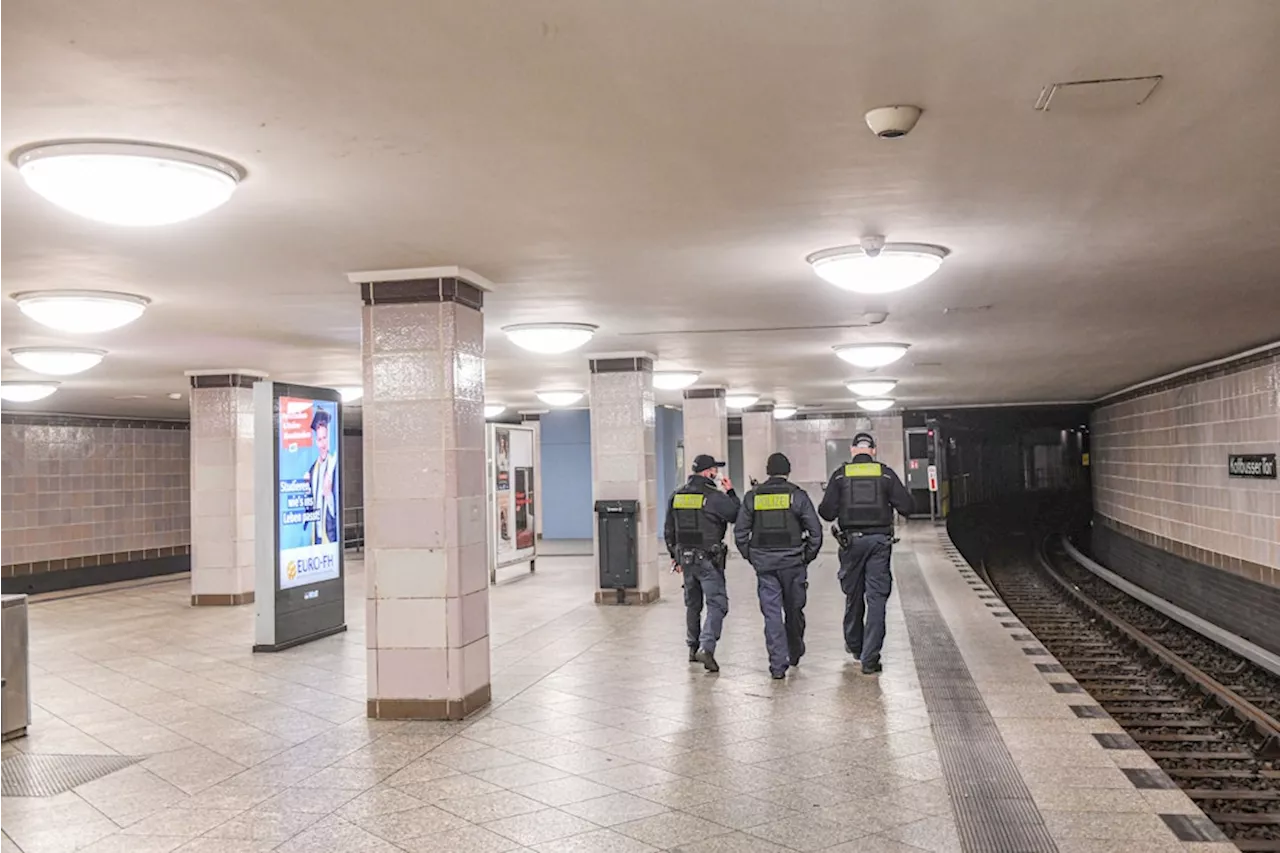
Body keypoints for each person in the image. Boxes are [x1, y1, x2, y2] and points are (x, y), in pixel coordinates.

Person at [819, 432, 913, 674]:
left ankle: (855, 645)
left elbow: (827, 513)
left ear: (852, 450)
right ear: (873, 450)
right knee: (877, 598)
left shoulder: (841, 475)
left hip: (851, 543)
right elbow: (908, 507)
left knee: (853, 594)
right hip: (879, 543)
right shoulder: (885, 473)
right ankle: (870, 658)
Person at [735, 452, 822, 679]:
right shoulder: (797, 496)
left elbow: (740, 533)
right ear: (788, 470)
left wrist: (753, 557)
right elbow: (815, 531)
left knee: (772, 614)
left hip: (765, 566)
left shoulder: (753, 496)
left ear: (767, 471)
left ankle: (777, 666)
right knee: (794, 610)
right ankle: (794, 653)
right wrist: (806, 556)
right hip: (793, 563)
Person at [664, 454, 741, 673]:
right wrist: (732, 493)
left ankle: (692, 648)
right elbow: (736, 515)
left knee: (693, 604)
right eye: (715, 470)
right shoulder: (715, 497)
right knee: (717, 604)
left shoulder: (676, 496)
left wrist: (674, 556)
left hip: (686, 560)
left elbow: (669, 530)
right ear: (708, 472)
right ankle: (707, 648)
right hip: (708, 560)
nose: (717, 474)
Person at [305, 407, 340, 545]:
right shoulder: (313, 470)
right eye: (319, 439)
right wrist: (306, 489)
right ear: (316, 442)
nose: (323, 443)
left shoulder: (334, 466)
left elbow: (338, 508)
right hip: (316, 536)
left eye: (325, 438)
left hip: (329, 535)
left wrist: (329, 495)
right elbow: (309, 506)